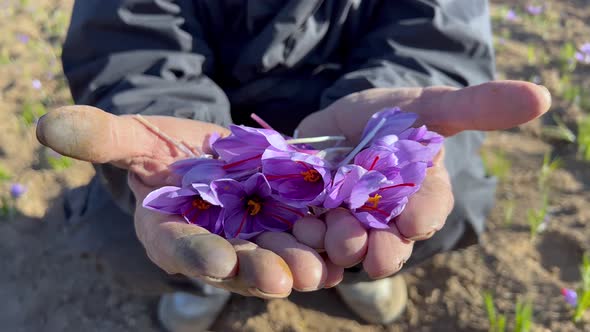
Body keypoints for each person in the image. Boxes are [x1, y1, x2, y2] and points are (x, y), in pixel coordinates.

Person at [37, 0, 551, 330]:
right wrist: (172, 122)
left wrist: (386, 122)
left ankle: (360, 271)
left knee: (424, 207)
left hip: (343, 133)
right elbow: (130, 47)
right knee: (141, 230)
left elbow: (433, 41)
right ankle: (197, 281)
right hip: (216, 139)